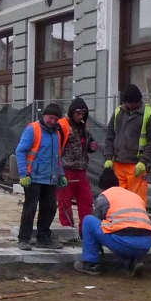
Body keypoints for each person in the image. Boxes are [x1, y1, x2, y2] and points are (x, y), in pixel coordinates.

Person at [74, 168, 151, 277]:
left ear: (102, 188)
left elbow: (97, 222)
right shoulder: (135, 196)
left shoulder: (104, 197)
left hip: (124, 242)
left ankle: (91, 264)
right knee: (120, 232)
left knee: (88, 221)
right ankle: (132, 263)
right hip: (146, 243)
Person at [14, 103, 67, 251]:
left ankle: (43, 238)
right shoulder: (33, 129)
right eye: (50, 117)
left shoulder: (56, 133)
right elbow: (20, 151)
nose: (53, 121)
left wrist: (61, 174)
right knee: (30, 208)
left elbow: (57, 156)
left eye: (56, 119)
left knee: (50, 208)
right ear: (44, 115)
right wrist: (24, 173)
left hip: (50, 178)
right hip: (33, 178)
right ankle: (24, 238)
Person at [104, 84, 151, 200]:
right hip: (118, 164)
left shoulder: (148, 114)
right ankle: (120, 219)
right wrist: (108, 157)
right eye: (127, 103)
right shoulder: (118, 112)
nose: (129, 105)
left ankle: (136, 219)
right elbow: (109, 136)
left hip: (136, 166)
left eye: (131, 103)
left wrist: (143, 161)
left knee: (136, 200)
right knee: (117, 200)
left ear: (138, 101)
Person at [56, 97, 97, 231]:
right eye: (77, 113)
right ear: (72, 112)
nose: (80, 116)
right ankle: (68, 229)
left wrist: (91, 147)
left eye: (82, 114)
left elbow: (86, 145)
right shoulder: (62, 125)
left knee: (86, 201)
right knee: (64, 202)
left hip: (81, 170)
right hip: (65, 170)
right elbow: (56, 148)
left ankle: (85, 230)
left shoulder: (84, 127)